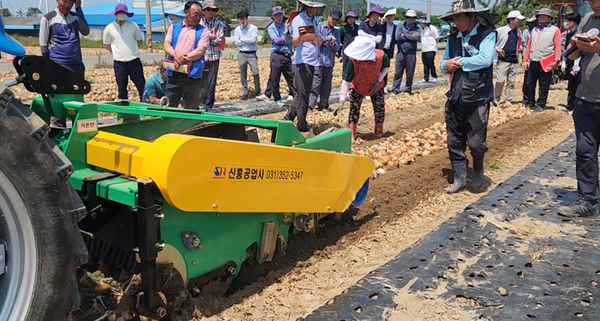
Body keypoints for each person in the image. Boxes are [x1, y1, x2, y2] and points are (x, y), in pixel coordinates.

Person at [439, 6, 498, 194]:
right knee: (454, 140)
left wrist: (461, 62)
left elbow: (485, 59)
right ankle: (459, 178)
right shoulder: (453, 37)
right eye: (454, 18)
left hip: (478, 97)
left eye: (459, 17)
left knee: (475, 142)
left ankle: (478, 171)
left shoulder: (487, 34)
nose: (456, 21)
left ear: (471, 16)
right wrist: (446, 65)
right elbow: (444, 63)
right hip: (456, 96)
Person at [558, 4, 600, 218]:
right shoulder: (588, 19)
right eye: (592, 1)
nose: (595, 5)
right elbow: (574, 57)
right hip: (585, 98)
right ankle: (587, 201)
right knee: (585, 152)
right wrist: (577, 44)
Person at [39, 0, 89, 128]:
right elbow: (43, 45)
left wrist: (78, 8)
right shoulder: (48, 18)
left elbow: (85, 31)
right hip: (58, 65)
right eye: (64, 1)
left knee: (77, 98)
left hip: (76, 65)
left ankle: (76, 130)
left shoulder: (75, 17)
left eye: (71, 2)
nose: (67, 5)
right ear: (57, 1)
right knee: (58, 100)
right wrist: (47, 68)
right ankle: (59, 129)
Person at [282, 0, 325, 133]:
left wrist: (318, 40)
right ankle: (301, 124)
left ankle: (287, 118)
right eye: (310, 7)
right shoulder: (298, 20)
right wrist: (301, 37)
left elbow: (319, 38)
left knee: (301, 94)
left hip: (312, 61)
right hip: (302, 61)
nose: (312, 9)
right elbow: (294, 43)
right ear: (305, 6)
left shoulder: (313, 21)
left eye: (314, 7)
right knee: (303, 95)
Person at [339, 36, 390, 143]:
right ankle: (352, 134)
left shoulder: (381, 56)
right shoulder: (353, 62)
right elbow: (346, 80)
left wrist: (378, 81)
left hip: (376, 86)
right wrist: (341, 99)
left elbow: (386, 67)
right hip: (357, 86)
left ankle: (378, 131)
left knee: (379, 108)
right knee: (354, 109)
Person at [163, 0, 210, 110]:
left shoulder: (203, 31)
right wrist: (175, 54)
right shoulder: (173, 27)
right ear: (186, 13)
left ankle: (190, 126)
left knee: (192, 105)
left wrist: (183, 58)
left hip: (192, 74)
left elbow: (200, 50)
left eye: (200, 15)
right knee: (169, 103)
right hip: (175, 72)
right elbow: (166, 45)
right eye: (195, 14)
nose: (198, 17)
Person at [103, 4, 145, 101]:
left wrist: (132, 50)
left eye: (123, 12)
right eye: (119, 12)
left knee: (142, 85)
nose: (122, 14)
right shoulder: (109, 28)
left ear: (126, 14)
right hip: (119, 63)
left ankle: (146, 108)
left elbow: (139, 41)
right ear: (116, 14)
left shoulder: (133, 25)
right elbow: (106, 44)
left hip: (134, 61)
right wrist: (116, 52)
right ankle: (125, 113)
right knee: (122, 88)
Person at [523, 8, 561, 112]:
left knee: (544, 84)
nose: (541, 18)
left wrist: (556, 61)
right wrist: (525, 59)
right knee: (530, 83)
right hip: (534, 60)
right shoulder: (534, 30)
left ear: (549, 18)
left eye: (544, 16)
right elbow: (528, 45)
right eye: (540, 17)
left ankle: (541, 103)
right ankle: (530, 102)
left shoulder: (555, 30)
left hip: (546, 61)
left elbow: (557, 46)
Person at [263, 7, 296, 106]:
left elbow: (292, 38)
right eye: (276, 15)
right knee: (275, 77)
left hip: (287, 54)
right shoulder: (271, 27)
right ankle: (277, 98)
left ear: (283, 15)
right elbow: (276, 40)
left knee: (291, 76)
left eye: (280, 14)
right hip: (277, 54)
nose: (278, 17)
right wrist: (287, 38)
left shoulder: (287, 26)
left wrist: (286, 38)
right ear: (273, 17)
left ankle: (295, 95)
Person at [309, 9, 341, 111]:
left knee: (326, 87)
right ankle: (310, 105)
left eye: (336, 20)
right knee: (315, 85)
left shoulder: (336, 31)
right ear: (329, 16)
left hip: (329, 62)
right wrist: (328, 38)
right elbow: (314, 39)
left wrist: (324, 42)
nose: (334, 21)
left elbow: (336, 47)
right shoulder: (319, 26)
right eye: (333, 18)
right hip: (318, 61)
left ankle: (323, 105)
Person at [493, 10, 525, 106]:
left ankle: (508, 100)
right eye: (518, 19)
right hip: (503, 60)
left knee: (511, 81)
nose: (519, 21)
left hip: (513, 60)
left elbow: (520, 43)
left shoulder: (519, 32)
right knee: (500, 80)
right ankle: (496, 98)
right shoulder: (500, 31)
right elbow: (490, 43)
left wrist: (520, 49)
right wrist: (497, 49)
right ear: (511, 20)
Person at [198, 0, 224, 110]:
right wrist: (210, 36)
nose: (211, 12)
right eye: (208, 9)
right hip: (201, 56)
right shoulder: (199, 23)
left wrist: (206, 37)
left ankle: (209, 105)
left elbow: (219, 40)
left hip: (214, 57)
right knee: (201, 80)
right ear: (203, 11)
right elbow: (196, 39)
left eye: (213, 10)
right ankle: (200, 102)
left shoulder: (219, 23)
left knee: (211, 82)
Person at [390, 9, 421, 95]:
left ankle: (407, 90)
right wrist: (410, 35)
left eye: (412, 18)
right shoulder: (400, 27)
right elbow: (398, 37)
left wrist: (405, 35)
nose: (410, 19)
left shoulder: (417, 28)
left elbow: (416, 38)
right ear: (406, 18)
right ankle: (395, 90)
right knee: (398, 72)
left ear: (414, 18)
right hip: (401, 52)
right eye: (408, 17)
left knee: (410, 73)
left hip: (411, 53)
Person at [234, 10, 261, 100]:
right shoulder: (237, 29)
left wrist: (242, 39)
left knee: (255, 72)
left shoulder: (253, 28)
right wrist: (246, 40)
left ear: (247, 19)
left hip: (251, 53)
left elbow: (253, 40)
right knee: (243, 73)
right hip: (242, 53)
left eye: (243, 19)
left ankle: (258, 91)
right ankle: (245, 92)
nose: (242, 21)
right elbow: (237, 43)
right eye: (240, 19)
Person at [559, 12, 582, 113]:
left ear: (572, 22)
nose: (565, 23)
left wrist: (576, 66)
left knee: (577, 86)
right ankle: (570, 106)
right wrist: (564, 63)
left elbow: (579, 50)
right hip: (569, 61)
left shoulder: (579, 33)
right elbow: (566, 50)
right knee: (571, 86)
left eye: (567, 21)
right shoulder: (569, 33)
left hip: (576, 63)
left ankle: (576, 107)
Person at [521, 13, 537, 106]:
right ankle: (526, 98)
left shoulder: (540, 31)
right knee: (528, 80)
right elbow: (524, 46)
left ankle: (534, 99)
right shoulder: (526, 32)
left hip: (537, 58)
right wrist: (525, 59)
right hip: (529, 58)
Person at [379, 9, 396, 86]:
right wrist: (381, 22)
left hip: (389, 49)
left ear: (394, 17)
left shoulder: (396, 27)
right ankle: (378, 85)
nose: (390, 18)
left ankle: (384, 85)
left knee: (385, 68)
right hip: (381, 49)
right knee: (378, 67)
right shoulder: (382, 25)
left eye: (391, 16)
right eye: (388, 16)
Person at [419, 18, 440, 83]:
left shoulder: (431, 28)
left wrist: (434, 45)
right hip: (424, 49)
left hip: (431, 49)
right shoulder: (421, 29)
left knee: (430, 62)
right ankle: (426, 78)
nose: (420, 24)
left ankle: (434, 76)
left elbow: (437, 37)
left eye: (421, 22)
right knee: (425, 63)